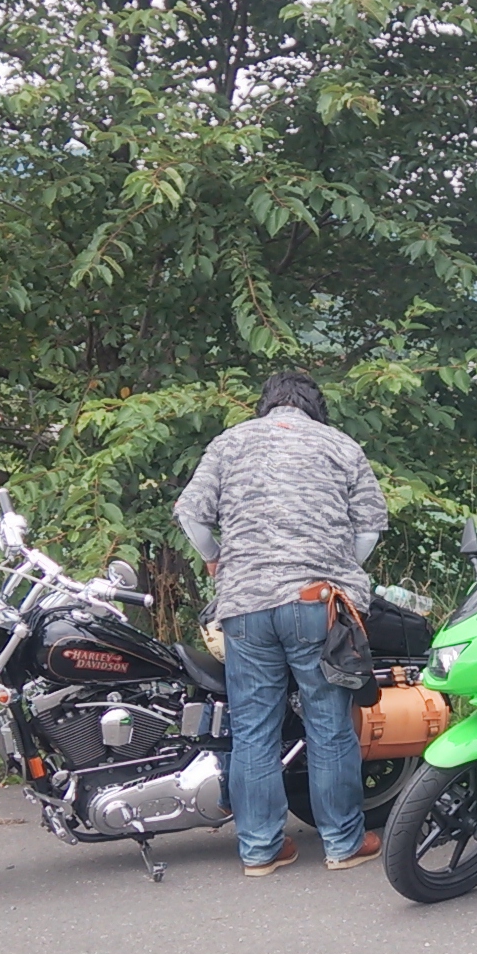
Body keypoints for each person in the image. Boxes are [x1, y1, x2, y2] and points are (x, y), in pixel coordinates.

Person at [176, 372, 389, 876]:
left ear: (266, 404)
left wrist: (215, 557)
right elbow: (370, 527)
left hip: (245, 607)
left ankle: (259, 850)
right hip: (317, 604)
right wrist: (342, 567)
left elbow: (191, 515)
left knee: (253, 730)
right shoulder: (341, 446)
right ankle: (343, 843)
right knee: (329, 725)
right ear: (316, 406)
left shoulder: (230, 443)